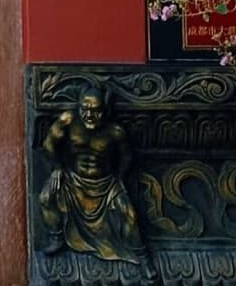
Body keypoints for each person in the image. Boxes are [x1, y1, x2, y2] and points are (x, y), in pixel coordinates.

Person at [39, 84, 155, 279]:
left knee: (130, 216)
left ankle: (142, 257)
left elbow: (126, 157)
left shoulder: (115, 132)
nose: (89, 115)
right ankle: (56, 237)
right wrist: (57, 168)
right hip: (73, 178)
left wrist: (118, 177)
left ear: (105, 110)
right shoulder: (68, 121)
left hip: (105, 183)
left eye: (95, 110)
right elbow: (49, 144)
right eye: (85, 109)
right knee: (45, 197)